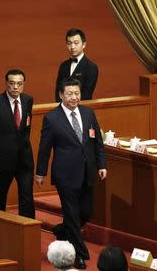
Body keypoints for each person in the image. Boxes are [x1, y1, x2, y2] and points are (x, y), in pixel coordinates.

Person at [36, 78, 107, 269]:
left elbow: (97, 142)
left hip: (87, 172)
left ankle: (62, 229)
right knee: (72, 214)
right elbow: (45, 148)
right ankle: (79, 254)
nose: (74, 97)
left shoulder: (88, 113)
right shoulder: (52, 118)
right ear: (61, 95)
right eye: (70, 94)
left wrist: (101, 164)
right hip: (65, 174)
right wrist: (40, 172)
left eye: (77, 93)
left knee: (87, 212)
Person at [0, 69, 35, 218]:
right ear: (6, 84)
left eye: (19, 84)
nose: (15, 87)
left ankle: (28, 228)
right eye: (12, 83)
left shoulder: (28, 100)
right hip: (2, 160)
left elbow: (26, 128)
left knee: (27, 197)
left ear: (23, 84)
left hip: (24, 159)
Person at [55, 28, 98, 102]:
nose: (72, 47)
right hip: (62, 110)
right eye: (69, 43)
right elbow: (58, 92)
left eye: (76, 43)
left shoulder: (91, 67)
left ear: (84, 44)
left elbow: (86, 95)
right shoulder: (63, 66)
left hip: (82, 110)